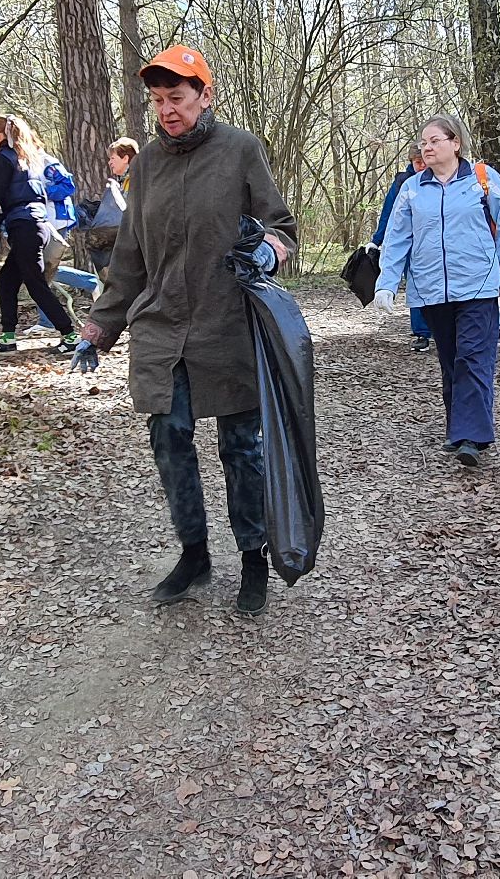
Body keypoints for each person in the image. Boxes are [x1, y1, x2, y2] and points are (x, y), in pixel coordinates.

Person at [76, 46, 298, 616]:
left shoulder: (240, 151)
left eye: (177, 98)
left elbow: (281, 225)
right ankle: (194, 554)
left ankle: (253, 558)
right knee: (168, 437)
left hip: (228, 323)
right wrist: (101, 325)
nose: (167, 110)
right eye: (158, 100)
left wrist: (270, 251)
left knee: (240, 448)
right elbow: (129, 256)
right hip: (161, 323)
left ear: (206, 94)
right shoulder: (146, 162)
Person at [372, 115, 500, 468]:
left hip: (479, 285)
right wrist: (386, 284)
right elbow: (397, 239)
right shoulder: (411, 188)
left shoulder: (482, 180)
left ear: (455, 143)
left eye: (435, 140)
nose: (427, 147)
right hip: (431, 289)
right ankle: (460, 428)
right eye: (424, 142)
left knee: (473, 357)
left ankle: (472, 436)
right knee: (452, 360)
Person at [0, 113, 79, 354]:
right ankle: (8, 337)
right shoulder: (26, 158)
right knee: (7, 281)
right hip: (35, 226)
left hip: (25, 228)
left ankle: (70, 336)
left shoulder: (5, 158)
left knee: (35, 283)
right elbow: (19, 194)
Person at [372, 147, 434, 352]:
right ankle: (422, 333)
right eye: (417, 162)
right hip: (411, 244)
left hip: (436, 245)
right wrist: (377, 240)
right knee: (416, 285)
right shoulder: (403, 183)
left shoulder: (442, 178)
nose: (422, 166)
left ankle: (441, 329)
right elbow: (389, 213)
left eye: (424, 161)